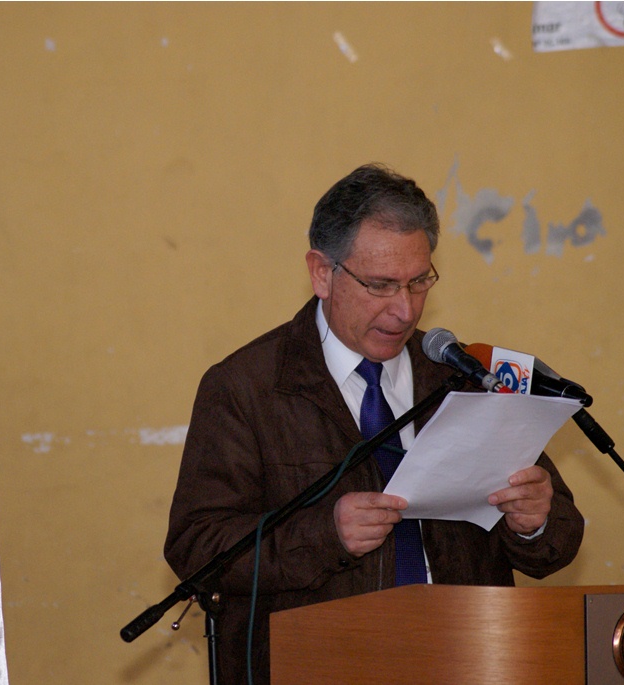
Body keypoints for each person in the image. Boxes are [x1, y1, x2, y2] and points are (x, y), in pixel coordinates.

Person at [164, 163, 584, 684]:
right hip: (315, 667)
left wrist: (535, 520)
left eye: (419, 282)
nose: (404, 311)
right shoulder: (246, 387)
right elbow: (196, 547)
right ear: (322, 272)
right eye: (381, 285)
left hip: (466, 659)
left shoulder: (466, 377)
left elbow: (557, 543)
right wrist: (324, 534)